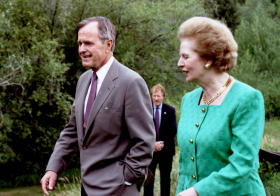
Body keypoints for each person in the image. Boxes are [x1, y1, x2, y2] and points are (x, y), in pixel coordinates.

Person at [40, 16, 155, 196]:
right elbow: (72, 131)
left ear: (108, 44)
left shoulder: (131, 82)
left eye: (88, 43)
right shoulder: (83, 80)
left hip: (118, 189)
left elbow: (144, 141)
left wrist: (125, 178)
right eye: (79, 43)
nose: (81, 49)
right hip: (87, 188)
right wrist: (53, 168)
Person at [176, 17, 266, 196]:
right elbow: (185, 166)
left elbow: (243, 164)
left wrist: (197, 192)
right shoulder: (188, 100)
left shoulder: (247, 99)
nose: (179, 63)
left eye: (185, 57)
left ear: (208, 58)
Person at [144, 84, 177, 196]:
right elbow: (142, 128)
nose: (156, 99)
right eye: (154, 96)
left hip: (166, 150)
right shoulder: (146, 109)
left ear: (163, 96)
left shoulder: (170, 110)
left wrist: (160, 144)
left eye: (158, 96)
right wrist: (152, 144)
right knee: (148, 179)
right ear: (151, 96)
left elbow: (173, 130)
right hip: (150, 150)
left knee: (165, 179)